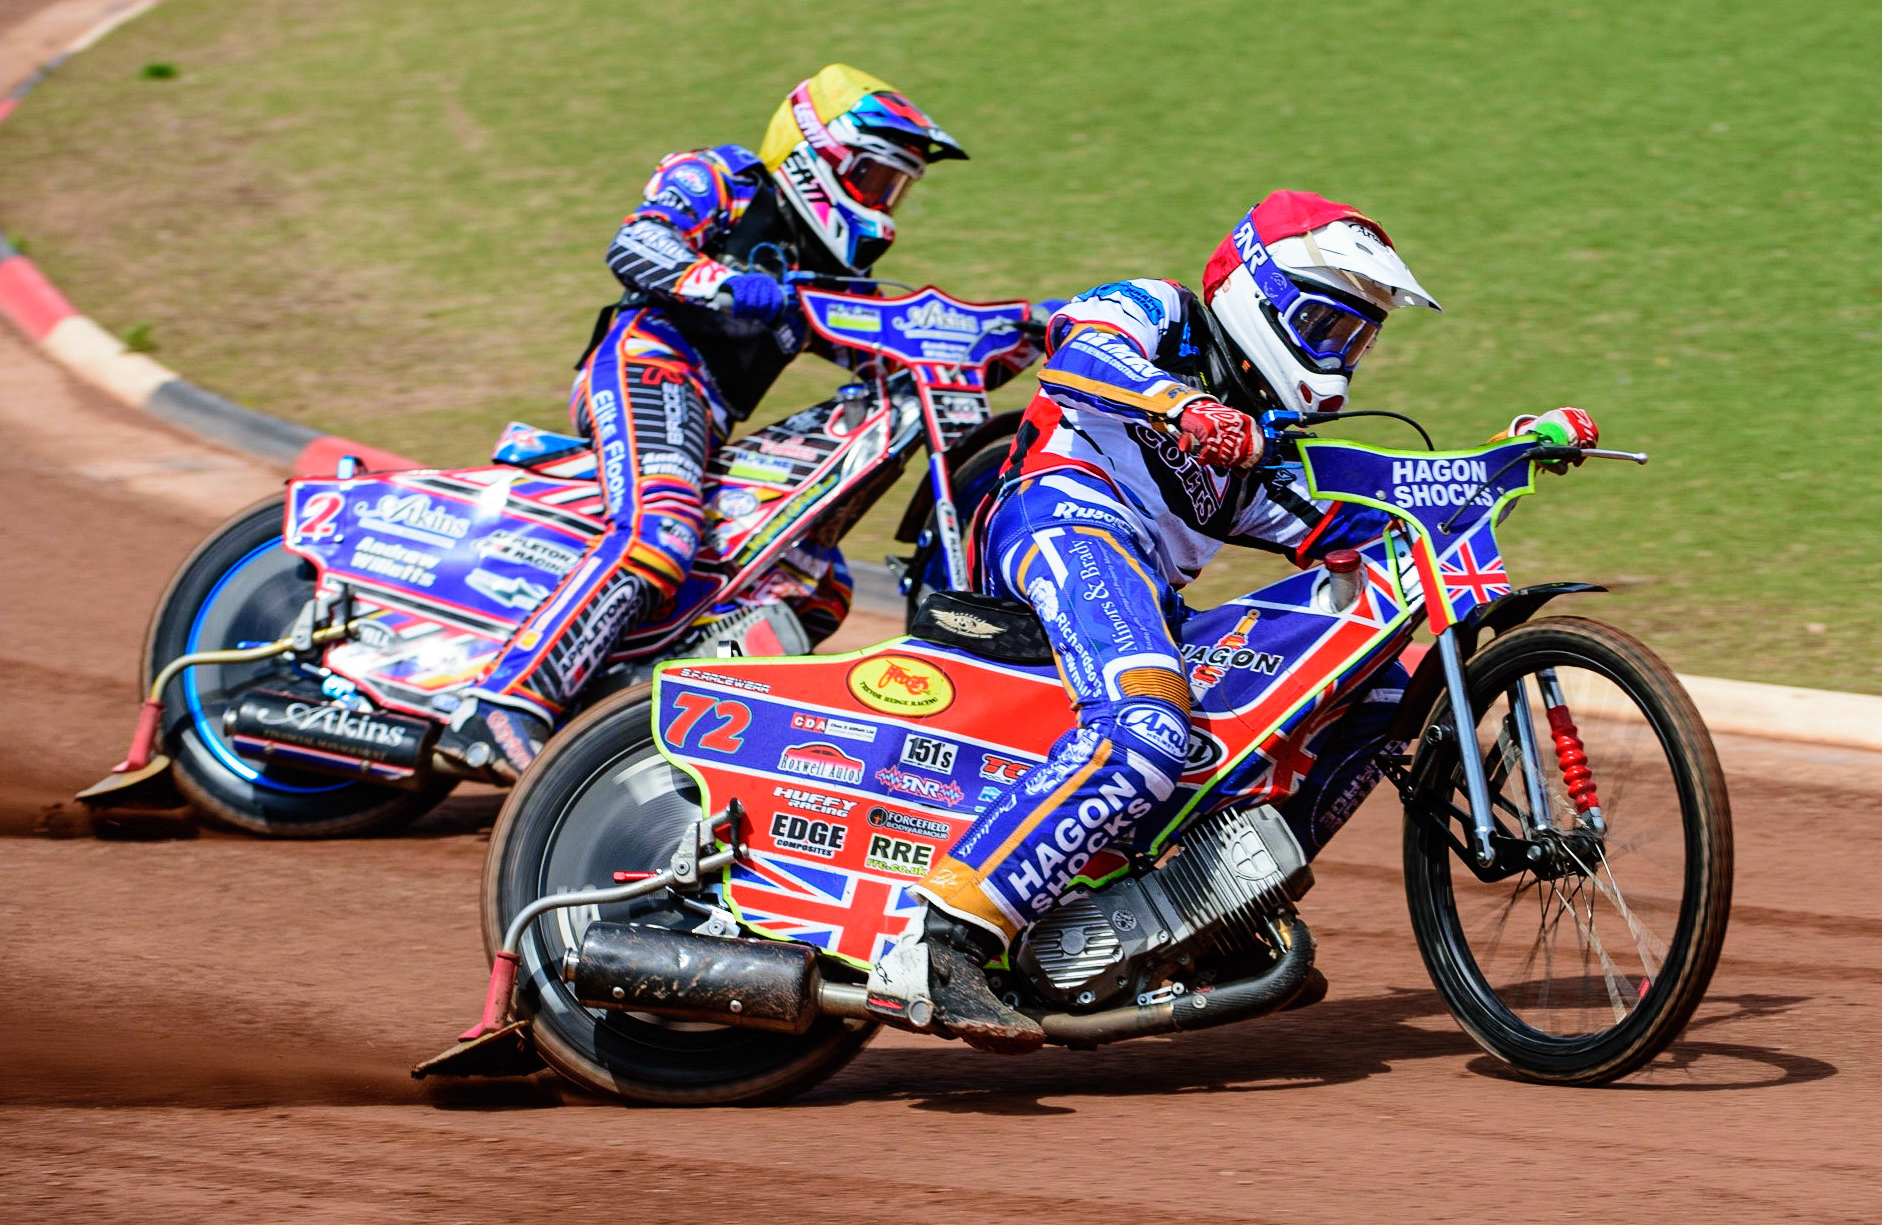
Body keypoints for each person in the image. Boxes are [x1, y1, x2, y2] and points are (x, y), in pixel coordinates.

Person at [865, 190, 1599, 1051]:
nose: (1341, 357)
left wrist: (1503, 460)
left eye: (1358, 340)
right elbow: (1076, 357)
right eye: (1327, 329)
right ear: (1259, 293)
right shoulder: (1159, 309)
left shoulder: (1265, 444)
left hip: (1147, 594)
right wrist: (1181, 406)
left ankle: (1208, 909)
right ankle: (943, 938)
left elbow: (1363, 528)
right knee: (1145, 731)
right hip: (1056, 521)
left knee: (1374, 687)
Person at [438, 64, 969, 782]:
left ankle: (621, 722)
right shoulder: (725, 178)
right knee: (660, 531)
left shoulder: (830, 279)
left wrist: (1028, 331)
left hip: (709, 417)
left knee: (813, 585)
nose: (885, 206)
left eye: (896, 189)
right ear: (822, 160)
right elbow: (636, 244)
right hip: (647, 364)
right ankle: (502, 701)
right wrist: (718, 282)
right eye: (876, 180)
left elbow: (897, 341)